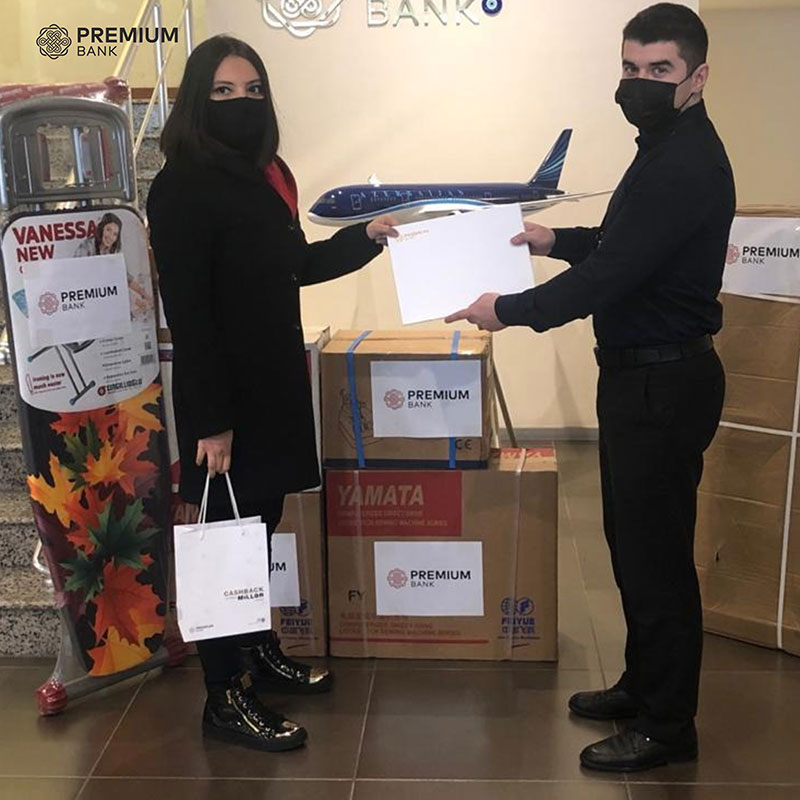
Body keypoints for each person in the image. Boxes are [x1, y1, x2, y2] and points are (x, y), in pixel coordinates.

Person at [447, 3, 734, 773]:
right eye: (631, 68)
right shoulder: (662, 147)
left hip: (664, 383)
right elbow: (619, 245)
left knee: (657, 558)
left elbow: (612, 275)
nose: (640, 82)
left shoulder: (685, 163)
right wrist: (553, 239)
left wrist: (508, 309)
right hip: (641, 378)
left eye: (660, 69)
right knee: (631, 545)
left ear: (698, 77)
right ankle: (644, 684)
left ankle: (668, 726)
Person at [146, 35, 397, 752]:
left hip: (274, 385)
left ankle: (257, 653)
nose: (242, 102)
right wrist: (212, 421)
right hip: (224, 400)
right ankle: (224, 696)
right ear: (197, 101)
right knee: (225, 544)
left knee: (260, 524)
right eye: (223, 91)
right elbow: (190, 315)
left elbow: (296, 265)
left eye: (253, 89)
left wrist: (367, 236)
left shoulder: (267, 175)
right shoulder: (181, 186)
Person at [74, 212, 153, 319]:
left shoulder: (110, 251)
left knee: (131, 296)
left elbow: (125, 278)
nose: (111, 237)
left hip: (105, 295)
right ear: (101, 229)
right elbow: (78, 276)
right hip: (88, 298)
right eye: (108, 230)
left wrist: (146, 296)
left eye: (115, 234)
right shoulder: (86, 247)